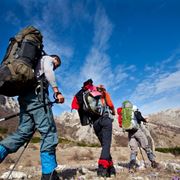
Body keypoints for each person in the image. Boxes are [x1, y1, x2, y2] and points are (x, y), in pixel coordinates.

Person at [0, 54, 64, 180]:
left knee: (22, 133)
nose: (55, 67)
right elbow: (48, 71)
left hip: (25, 98)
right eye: (56, 65)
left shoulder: (34, 63)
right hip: (37, 97)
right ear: (55, 59)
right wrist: (57, 92)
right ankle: (49, 175)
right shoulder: (47, 59)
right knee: (49, 133)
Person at [71, 80, 116, 177]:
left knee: (105, 146)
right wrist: (113, 112)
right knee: (106, 145)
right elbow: (111, 104)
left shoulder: (88, 95)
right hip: (105, 120)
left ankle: (111, 169)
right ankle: (102, 168)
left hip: (95, 123)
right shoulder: (104, 94)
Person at [117, 105, 159, 172]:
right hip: (137, 131)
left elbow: (121, 124)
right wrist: (145, 120)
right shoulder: (135, 110)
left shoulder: (124, 113)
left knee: (133, 150)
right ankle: (153, 162)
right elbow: (139, 117)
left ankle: (132, 166)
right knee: (146, 147)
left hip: (130, 133)